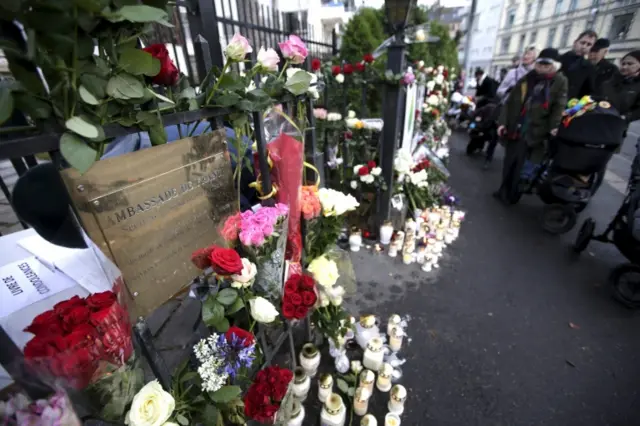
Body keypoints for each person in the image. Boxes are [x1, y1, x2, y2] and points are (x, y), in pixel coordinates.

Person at [494, 48, 568, 202]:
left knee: (520, 166)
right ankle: (503, 190)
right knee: (509, 162)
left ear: (554, 66)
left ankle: (512, 195)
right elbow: (510, 102)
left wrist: (554, 126)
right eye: (539, 63)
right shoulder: (527, 78)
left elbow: (558, 107)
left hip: (535, 131)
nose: (541, 67)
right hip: (516, 127)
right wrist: (502, 123)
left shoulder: (559, 81)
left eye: (545, 64)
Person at [559, 30, 597, 99]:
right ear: (575, 42)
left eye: (589, 44)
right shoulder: (559, 59)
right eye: (582, 43)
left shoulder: (589, 68)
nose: (584, 47)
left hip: (571, 106)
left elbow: (588, 92)